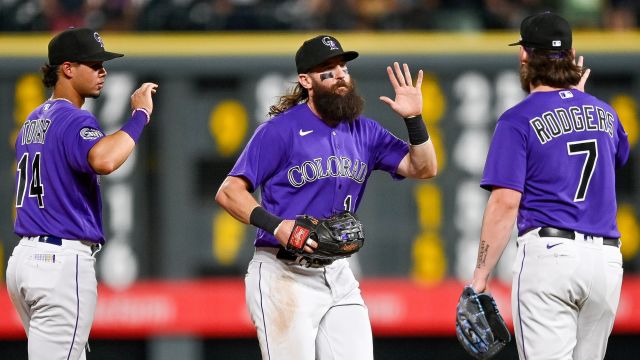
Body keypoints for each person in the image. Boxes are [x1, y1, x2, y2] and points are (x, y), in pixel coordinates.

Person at [215, 34, 437, 359]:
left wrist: (414, 119)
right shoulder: (279, 131)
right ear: (306, 80)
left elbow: (425, 168)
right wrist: (277, 226)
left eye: (343, 67)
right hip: (283, 274)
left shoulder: (366, 131)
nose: (340, 76)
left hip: (338, 273)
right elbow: (229, 192)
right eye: (327, 70)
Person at [469, 12, 629, 359]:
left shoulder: (517, 120)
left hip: (551, 259)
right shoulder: (605, 113)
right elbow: (616, 158)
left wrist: (480, 276)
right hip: (606, 263)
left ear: (523, 56)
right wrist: (581, 104)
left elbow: (505, 203)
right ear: (571, 57)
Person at [6, 27, 158, 359]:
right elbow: (104, 159)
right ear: (67, 68)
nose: (102, 70)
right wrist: (140, 116)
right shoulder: (73, 119)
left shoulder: (32, 120)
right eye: (93, 63)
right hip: (59, 262)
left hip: (23, 262)